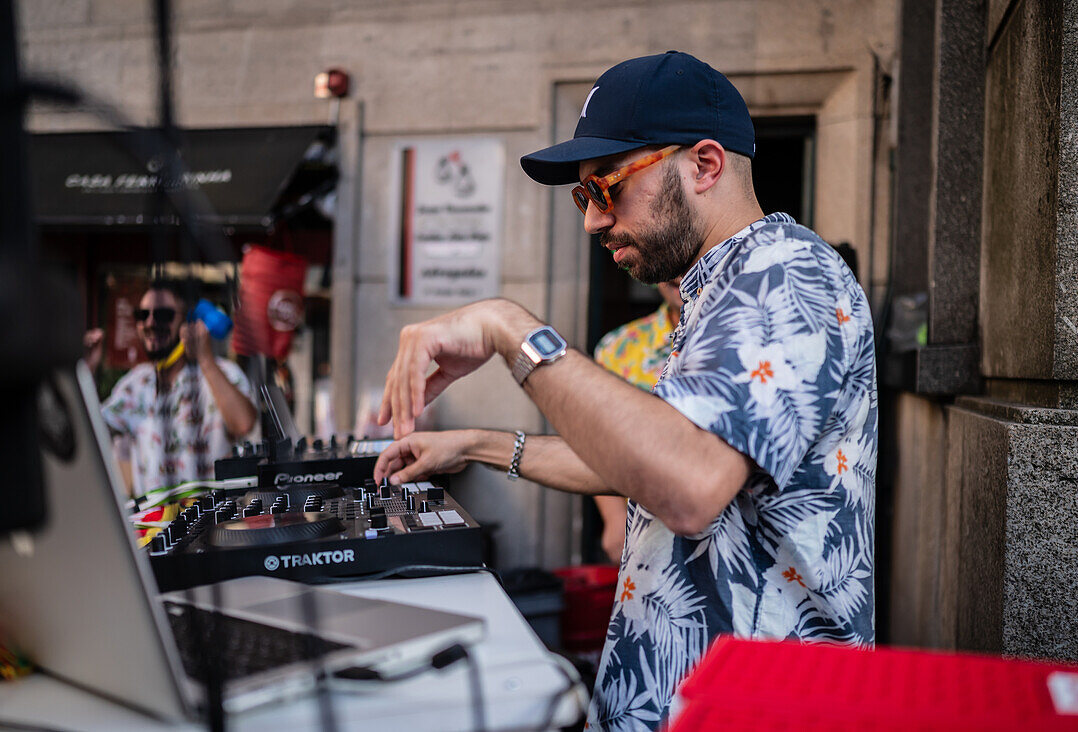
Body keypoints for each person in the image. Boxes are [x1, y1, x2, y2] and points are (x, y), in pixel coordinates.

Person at [372, 51, 877, 731]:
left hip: (747, 711)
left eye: (605, 187)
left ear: (704, 164)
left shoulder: (786, 277)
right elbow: (651, 460)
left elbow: (690, 483)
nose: (591, 221)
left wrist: (510, 328)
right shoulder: (727, 289)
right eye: (583, 197)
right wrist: (478, 445)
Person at [84, 281, 257, 497]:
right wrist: (85, 372)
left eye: (163, 315)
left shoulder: (223, 372)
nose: (150, 323)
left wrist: (204, 358)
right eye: (142, 314)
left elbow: (243, 423)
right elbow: (89, 433)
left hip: (213, 525)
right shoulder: (135, 384)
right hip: (154, 528)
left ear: (189, 322)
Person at [592, 279, 683, 565]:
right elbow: (598, 439)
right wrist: (614, 518)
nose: (681, 274)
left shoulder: (747, 339)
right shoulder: (619, 347)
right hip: (643, 532)